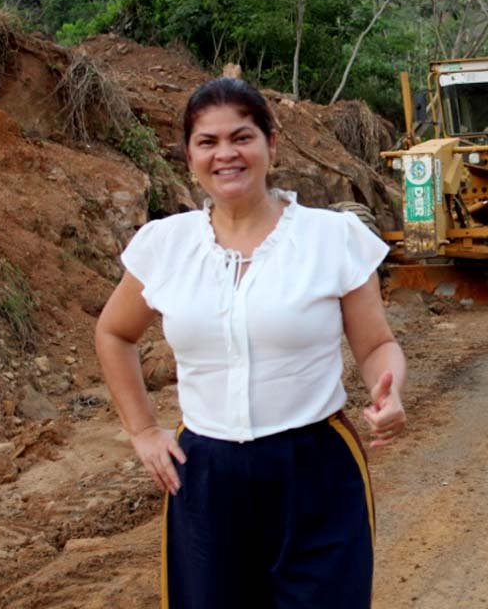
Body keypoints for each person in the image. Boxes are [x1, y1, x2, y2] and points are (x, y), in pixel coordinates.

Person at [95, 77, 406, 608]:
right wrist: (144, 430)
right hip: (206, 476)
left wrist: (391, 390)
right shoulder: (164, 245)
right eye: (207, 142)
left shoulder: (332, 239)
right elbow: (114, 332)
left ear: (270, 143)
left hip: (316, 467)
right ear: (189, 154)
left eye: (241, 137)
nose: (226, 155)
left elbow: (376, 345)